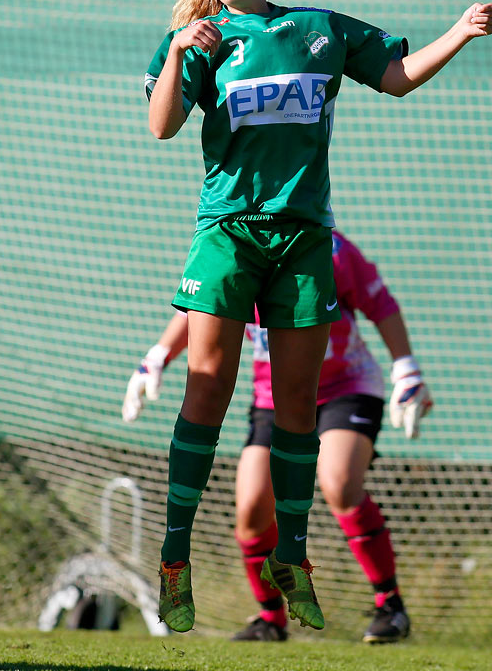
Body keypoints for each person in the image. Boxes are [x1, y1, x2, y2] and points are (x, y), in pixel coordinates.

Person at [144, 0, 492, 634]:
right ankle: (175, 556)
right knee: (208, 387)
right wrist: (181, 48)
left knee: (297, 403)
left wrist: (456, 33)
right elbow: (161, 126)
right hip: (228, 232)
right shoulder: (201, 40)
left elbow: (395, 79)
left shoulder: (318, 29)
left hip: (305, 238)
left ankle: (294, 560)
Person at [124, 229, 432, 643]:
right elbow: (199, 308)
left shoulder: (328, 248)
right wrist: (157, 356)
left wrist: (406, 369)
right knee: (251, 514)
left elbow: (380, 303)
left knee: (338, 482)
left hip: (346, 389)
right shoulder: (230, 247)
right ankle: (270, 618)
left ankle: (390, 606)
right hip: (272, 400)